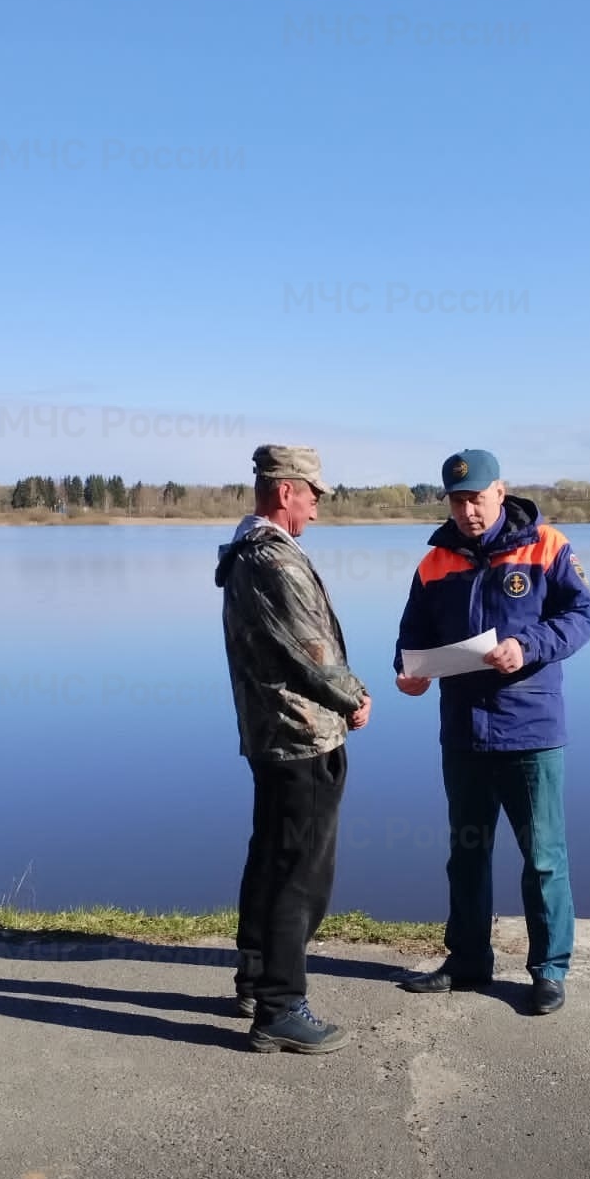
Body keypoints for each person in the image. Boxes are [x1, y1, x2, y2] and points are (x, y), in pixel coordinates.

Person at [393, 450, 590, 1014]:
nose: (467, 510)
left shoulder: (547, 545)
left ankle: (549, 970)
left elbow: (582, 617)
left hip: (530, 730)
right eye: (457, 500)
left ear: (500, 492)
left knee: (544, 857)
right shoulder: (433, 562)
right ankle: (467, 962)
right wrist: (407, 674)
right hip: (463, 733)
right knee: (467, 854)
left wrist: (527, 646)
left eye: (476, 498)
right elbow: (412, 635)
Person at [215, 445, 371, 1053]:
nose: (316, 507)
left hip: (271, 734)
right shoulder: (274, 561)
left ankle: (256, 978)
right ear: (286, 491)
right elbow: (313, 652)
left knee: (272, 856)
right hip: (300, 734)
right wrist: (355, 696)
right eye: (312, 494)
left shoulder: (248, 551)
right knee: (299, 873)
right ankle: (281, 1006)